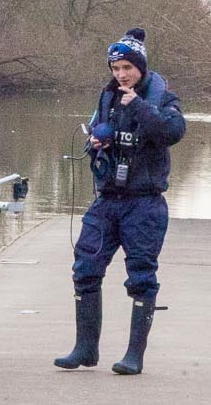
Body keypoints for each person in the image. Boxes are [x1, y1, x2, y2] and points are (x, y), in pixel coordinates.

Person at [54, 28, 185, 375]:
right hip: (108, 198)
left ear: (140, 67)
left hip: (144, 202)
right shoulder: (107, 97)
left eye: (127, 67)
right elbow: (97, 133)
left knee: (141, 276)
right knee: (85, 267)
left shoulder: (162, 98)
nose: (121, 74)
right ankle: (85, 348)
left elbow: (172, 134)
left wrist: (139, 106)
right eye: (116, 68)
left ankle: (134, 356)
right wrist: (96, 144)